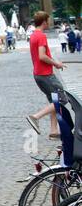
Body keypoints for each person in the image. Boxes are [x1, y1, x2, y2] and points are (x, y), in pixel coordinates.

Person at [26, 11, 73, 160]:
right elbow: (42, 56)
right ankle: (36, 116)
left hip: (38, 74)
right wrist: (57, 63)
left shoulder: (33, 35)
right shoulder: (41, 36)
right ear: (44, 22)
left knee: (53, 101)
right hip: (46, 74)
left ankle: (53, 130)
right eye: (48, 20)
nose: (49, 22)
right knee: (61, 98)